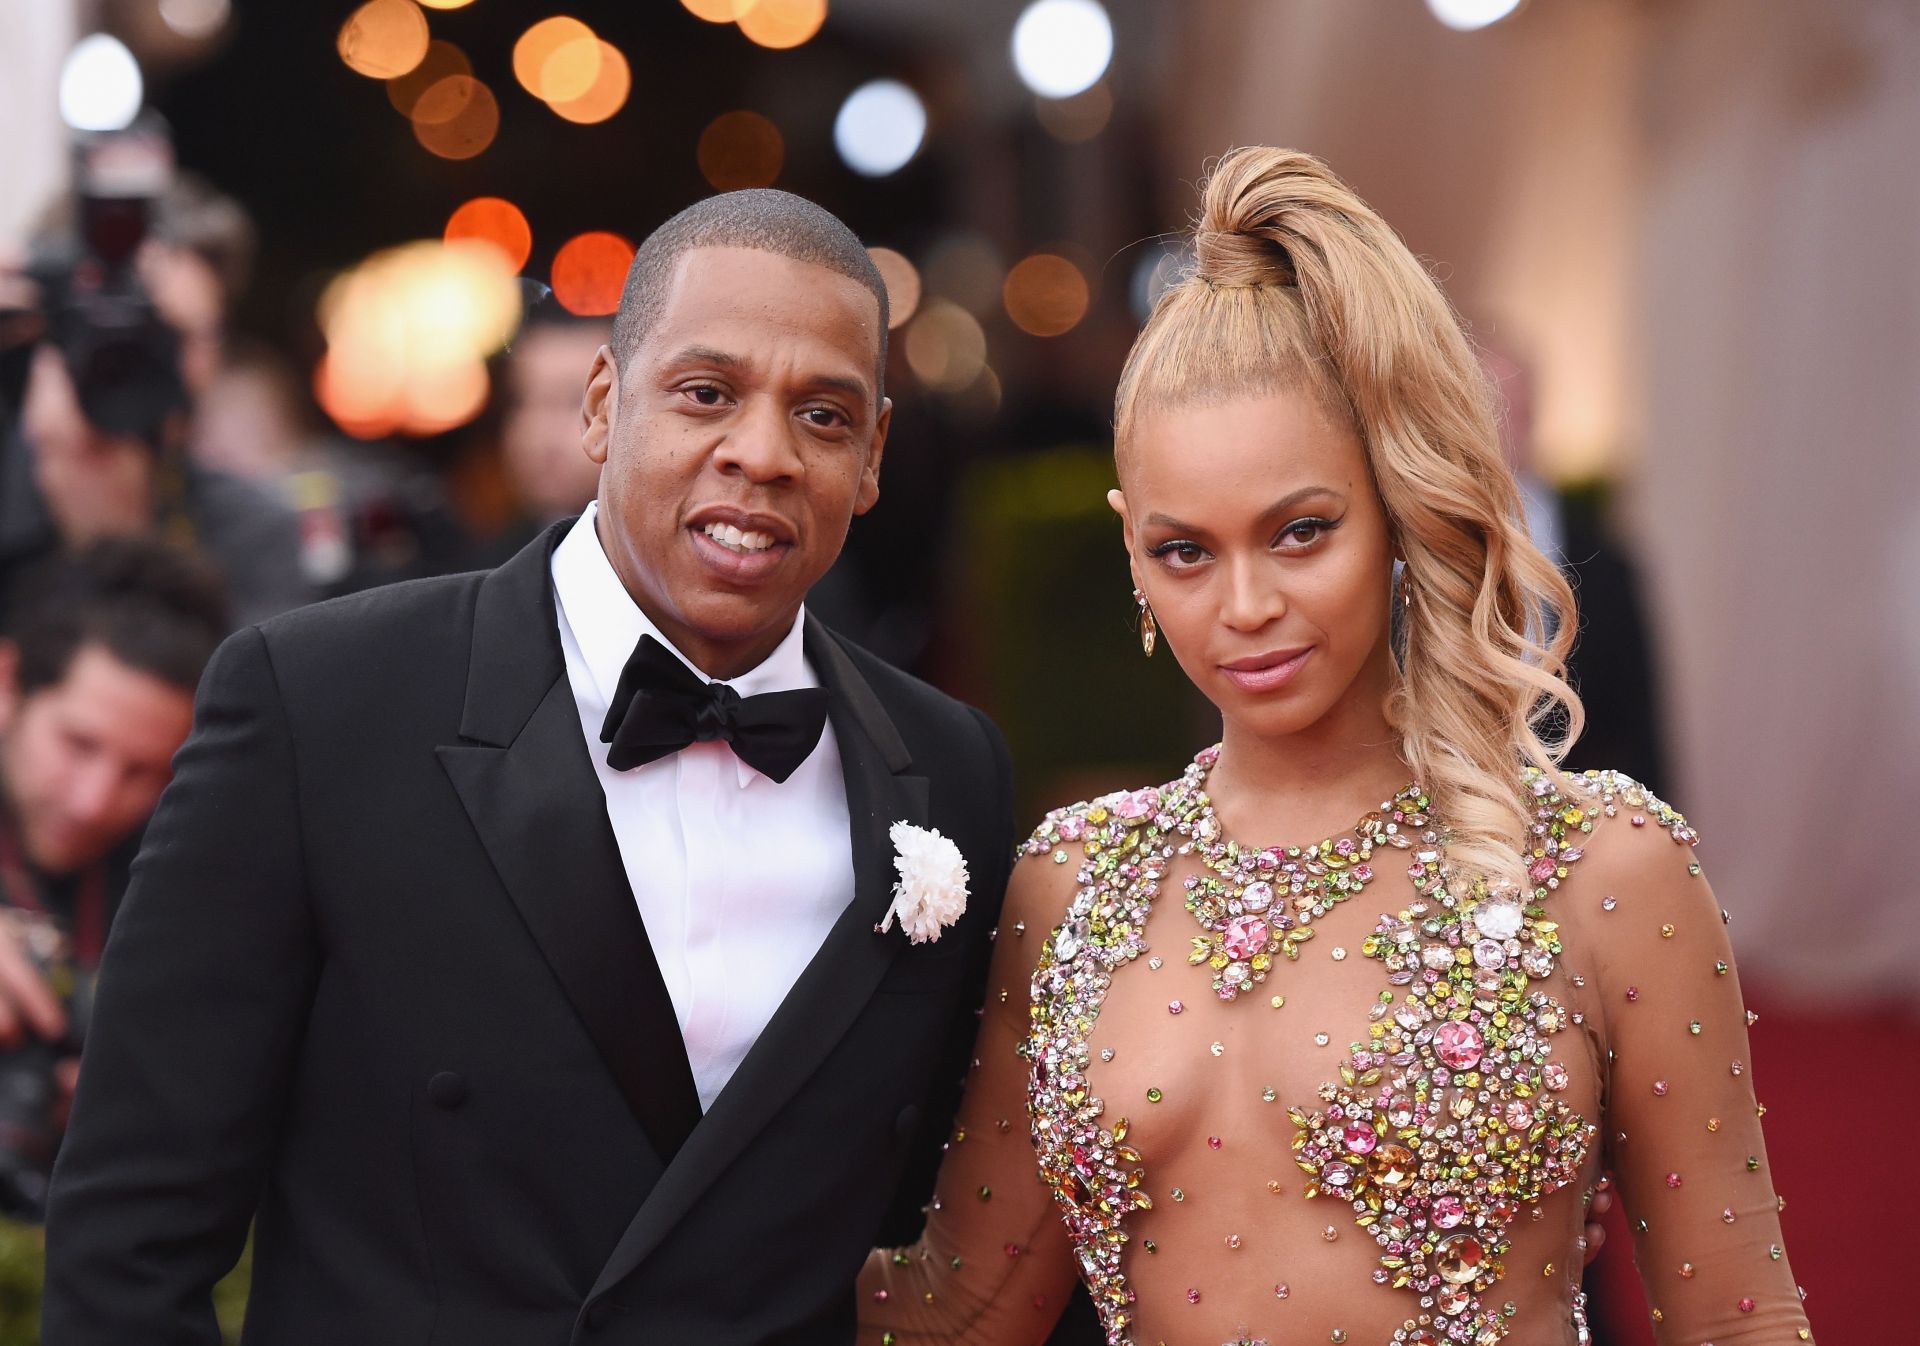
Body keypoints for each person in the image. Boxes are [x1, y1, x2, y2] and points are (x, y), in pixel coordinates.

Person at [860, 149, 1810, 1346]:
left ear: (1399, 510)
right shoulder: (1069, 881)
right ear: (1130, 547)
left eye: (1300, 531)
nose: (1243, 603)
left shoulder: (1606, 869)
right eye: (1184, 550)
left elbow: (1738, 1319)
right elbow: (958, 1311)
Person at [42, 189, 1014, 1344]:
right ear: (603, 404)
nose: (762, 452)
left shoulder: (948, 772)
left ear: (872, 458)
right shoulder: (321, 703)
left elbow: (945, 1229)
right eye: (706, 393)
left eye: (823, 414)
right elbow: (126, 1246)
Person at [0, 537, 226, 1214]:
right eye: (78, 745)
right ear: (7, 684)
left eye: (142, 772)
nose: (94, 802)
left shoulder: (187, 868)